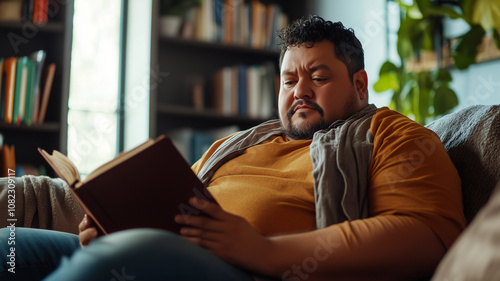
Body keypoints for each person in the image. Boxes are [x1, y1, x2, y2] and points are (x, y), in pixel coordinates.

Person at [0, 15, 466, 281]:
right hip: (159, 257)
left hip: (247, 272)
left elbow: (424, 236)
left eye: (319, 77)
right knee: (10, 246)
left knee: (119, 258)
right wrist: (111, 224)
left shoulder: (392, 135)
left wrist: (264, 250)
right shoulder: (240, 144)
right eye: (288, 80)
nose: (299, 91)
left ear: (359, 85)